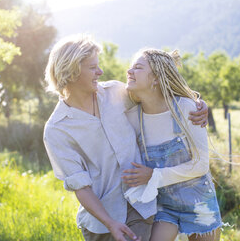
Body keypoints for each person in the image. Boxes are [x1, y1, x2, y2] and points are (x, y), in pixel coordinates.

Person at [43, 35, 209, 241]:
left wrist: (197, 104)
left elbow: (159, 96)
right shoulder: (57, 129)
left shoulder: (115, 92)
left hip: (142, 206)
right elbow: (81, 187)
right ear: (72, 71)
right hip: (103, 222)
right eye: (93, 67)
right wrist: (110, 223)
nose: (100, 72)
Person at [123, 49, 222, 241]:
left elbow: (201, 165)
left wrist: (153, 175)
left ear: (156, 79)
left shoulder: (187, 109)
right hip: (164, 206)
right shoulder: (134, 118)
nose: (129, 71)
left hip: (199, 202)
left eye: (138, 67)